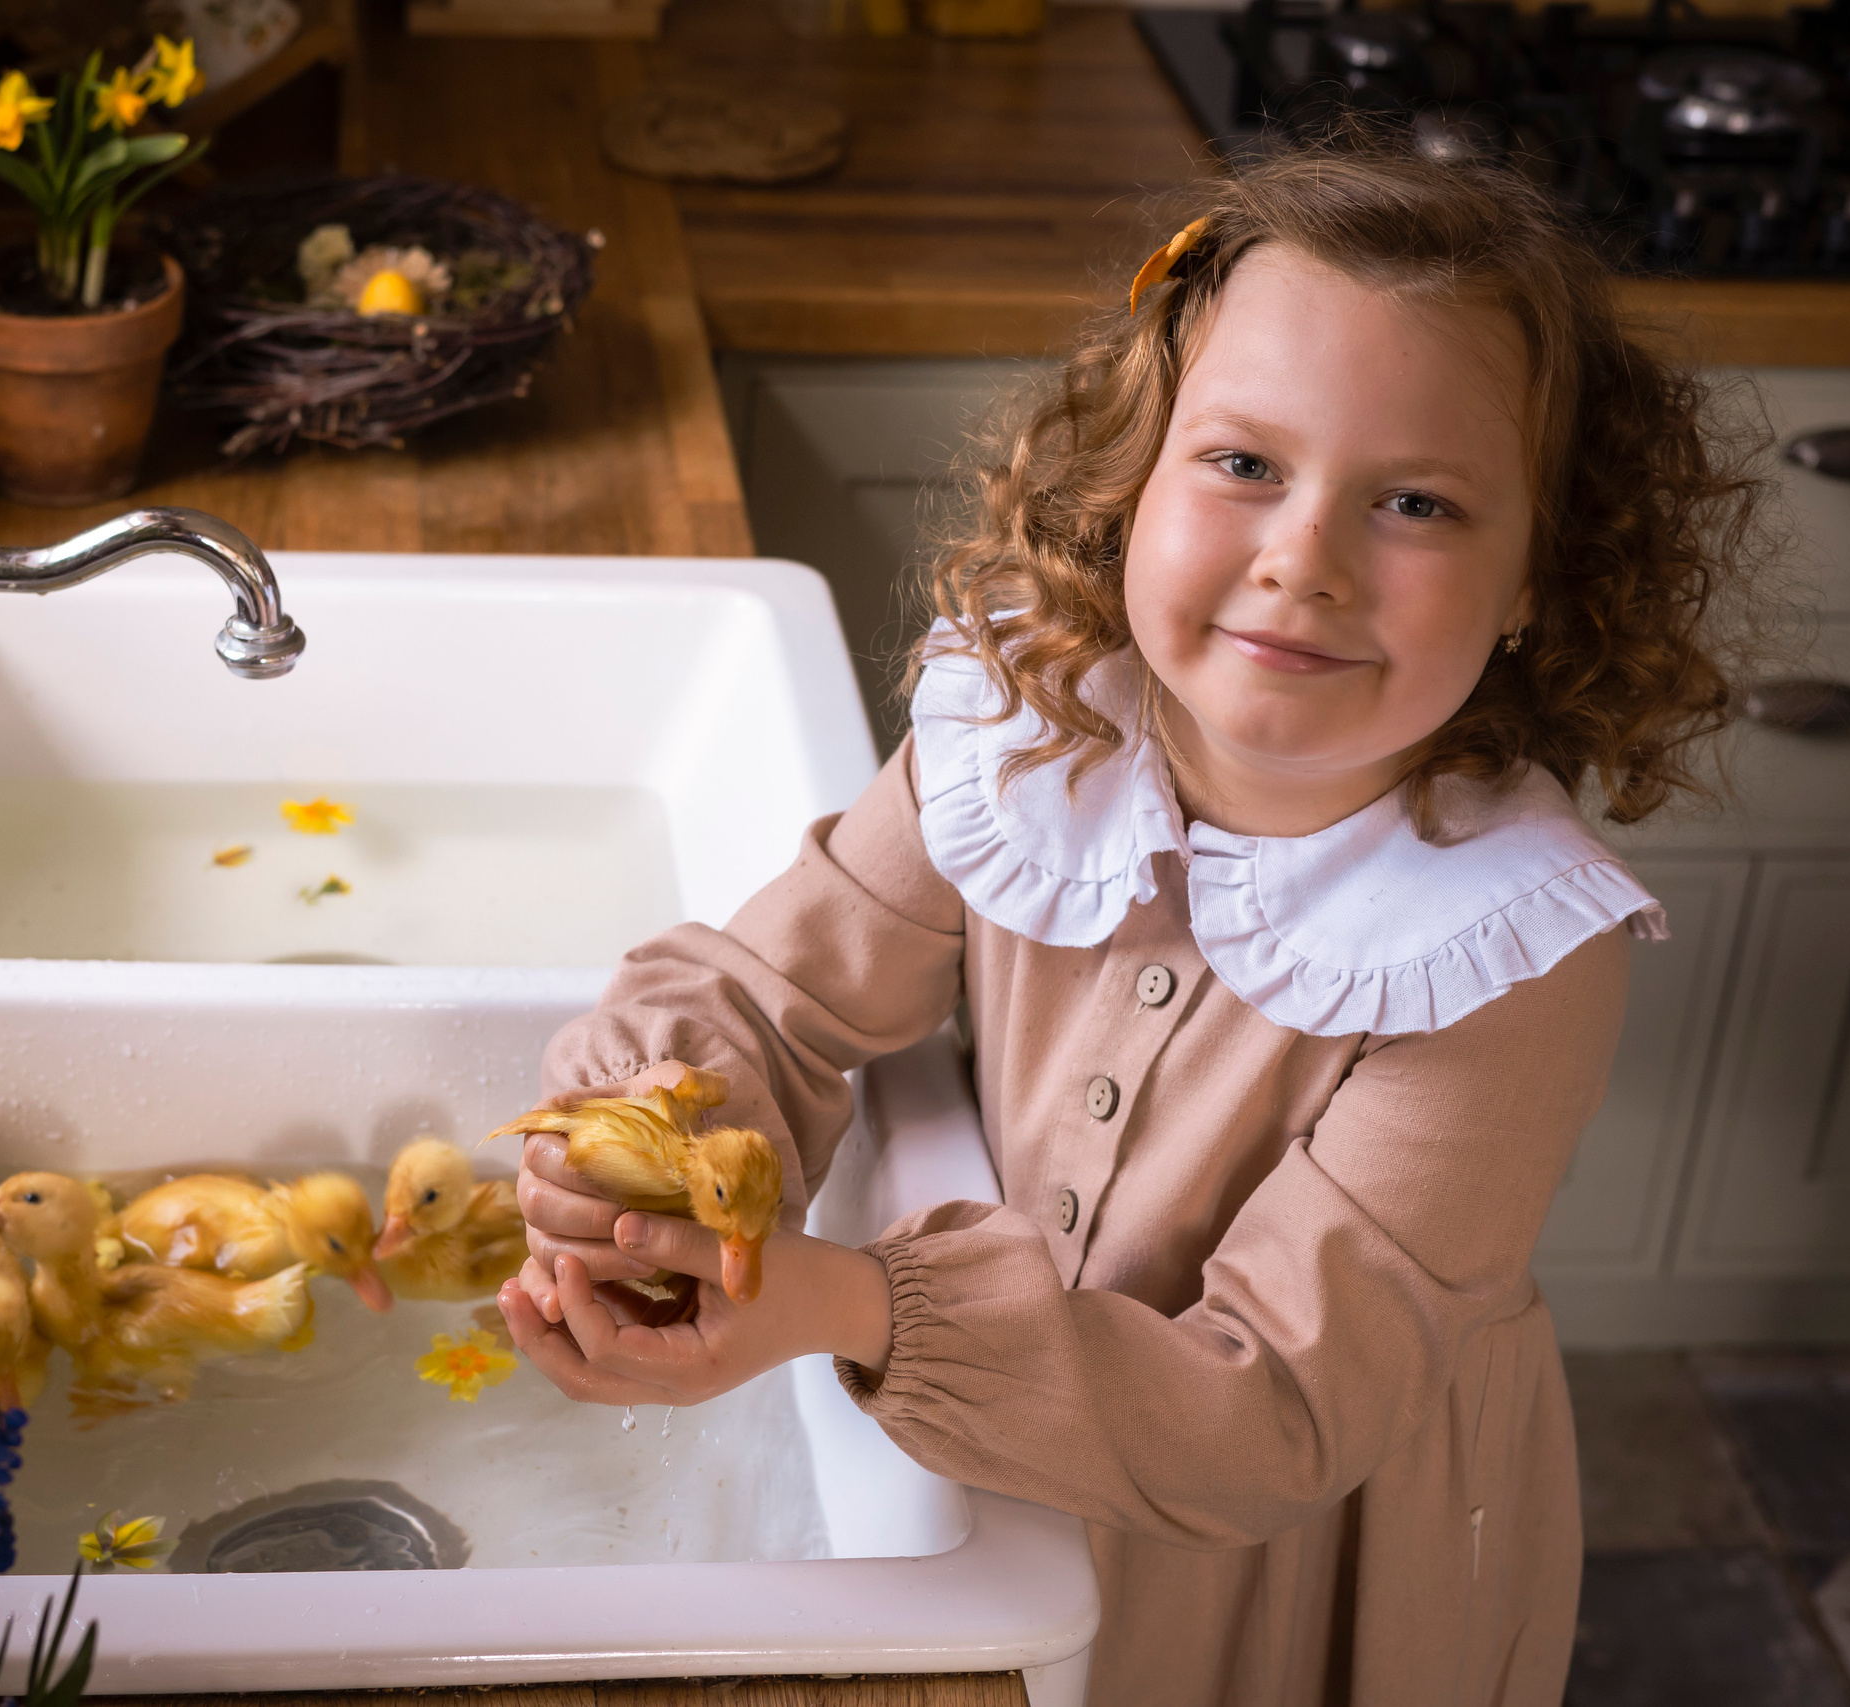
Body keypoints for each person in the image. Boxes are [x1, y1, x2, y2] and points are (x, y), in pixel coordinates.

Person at [493, 128, 1778, 1706]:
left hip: (1290, 1563)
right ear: (1137, 474)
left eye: (1422, 504)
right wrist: (629, 1153)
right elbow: (775, 995)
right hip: (999, 1457)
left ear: (1537, 575)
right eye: (1244, 463)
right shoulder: (1035, 721)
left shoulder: (1510, 949)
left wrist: (824, 1298)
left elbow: (1270, 1417)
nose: (1300, 560)